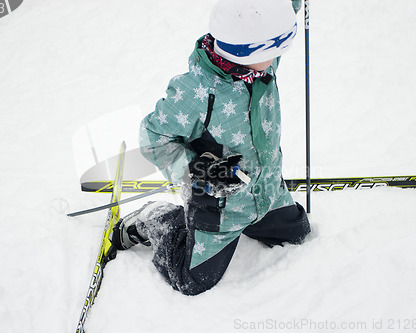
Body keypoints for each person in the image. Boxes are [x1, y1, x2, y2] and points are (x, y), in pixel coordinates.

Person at [111, 0, 310, 296]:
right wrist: (196, 169)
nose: (278, 56)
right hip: (219, 207)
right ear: (248, 49)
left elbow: (267, 12)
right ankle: (157, 218)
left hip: (267, 191)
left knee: (299, 233)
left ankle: (259, 217)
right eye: (273, 49)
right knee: (192, 281)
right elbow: (153, 137)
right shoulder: (195, 91)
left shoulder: (258, 62)